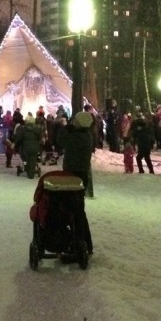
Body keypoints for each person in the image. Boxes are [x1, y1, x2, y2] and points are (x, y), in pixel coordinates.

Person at [58, 109, 95, 254]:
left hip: (72, 174)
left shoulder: (75, 137)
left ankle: (76, 241)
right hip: (81, 174)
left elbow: (60, 141)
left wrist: (65, 130)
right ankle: (84, 241)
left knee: (72, 209)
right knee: (79, 209)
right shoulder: (87, 135)